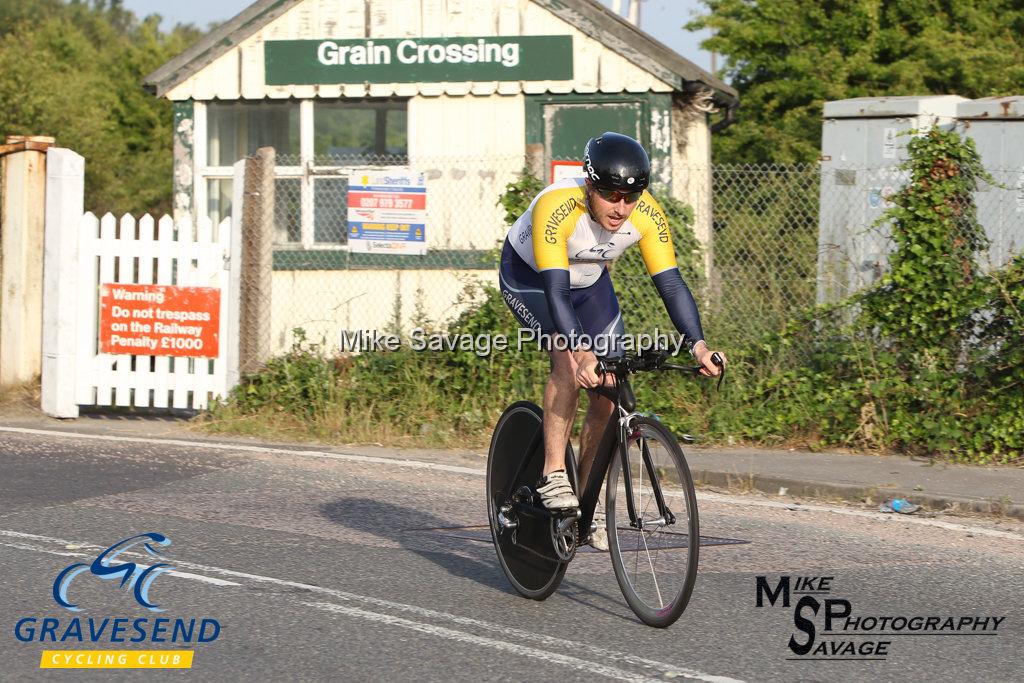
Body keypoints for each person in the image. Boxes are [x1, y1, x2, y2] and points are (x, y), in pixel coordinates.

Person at [498, 132, 725, 549]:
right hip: (532, 280)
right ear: (589, 184)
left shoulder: (646, 214)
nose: (621, 208)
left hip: (589, 284)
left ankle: (586, 505)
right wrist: (581, 352)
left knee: (609, 387)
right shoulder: (557, 207)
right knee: (569, 362)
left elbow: (671, 285)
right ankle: (552, 474)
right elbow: (556, 293)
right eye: (610, 196)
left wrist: (698, 345)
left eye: (631, 197)